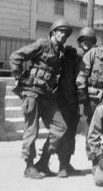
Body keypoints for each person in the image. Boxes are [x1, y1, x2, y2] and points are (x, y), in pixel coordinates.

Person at [9, 19, 71, 179]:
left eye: (66, 33)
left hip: (47, 95)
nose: (63, 35)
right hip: (32, 93)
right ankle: (29, 166)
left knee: (61, 127)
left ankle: (43, 161)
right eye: (60, 31)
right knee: (32, 131)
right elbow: (16, 56)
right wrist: (18, 77)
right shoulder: (42, 44)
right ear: (53, 32)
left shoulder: (61, 52)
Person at [50, 26, 97, 177]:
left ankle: (68, 163)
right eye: (84, 41)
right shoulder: (73, 54)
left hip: (82, 100)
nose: (87, 44)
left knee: (77, 132)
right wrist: (71, 100)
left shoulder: (94, 56)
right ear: (79, 41)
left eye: (90, 41)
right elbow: (68, 79)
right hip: (68, 99)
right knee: (66, 131)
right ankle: (62, 165)